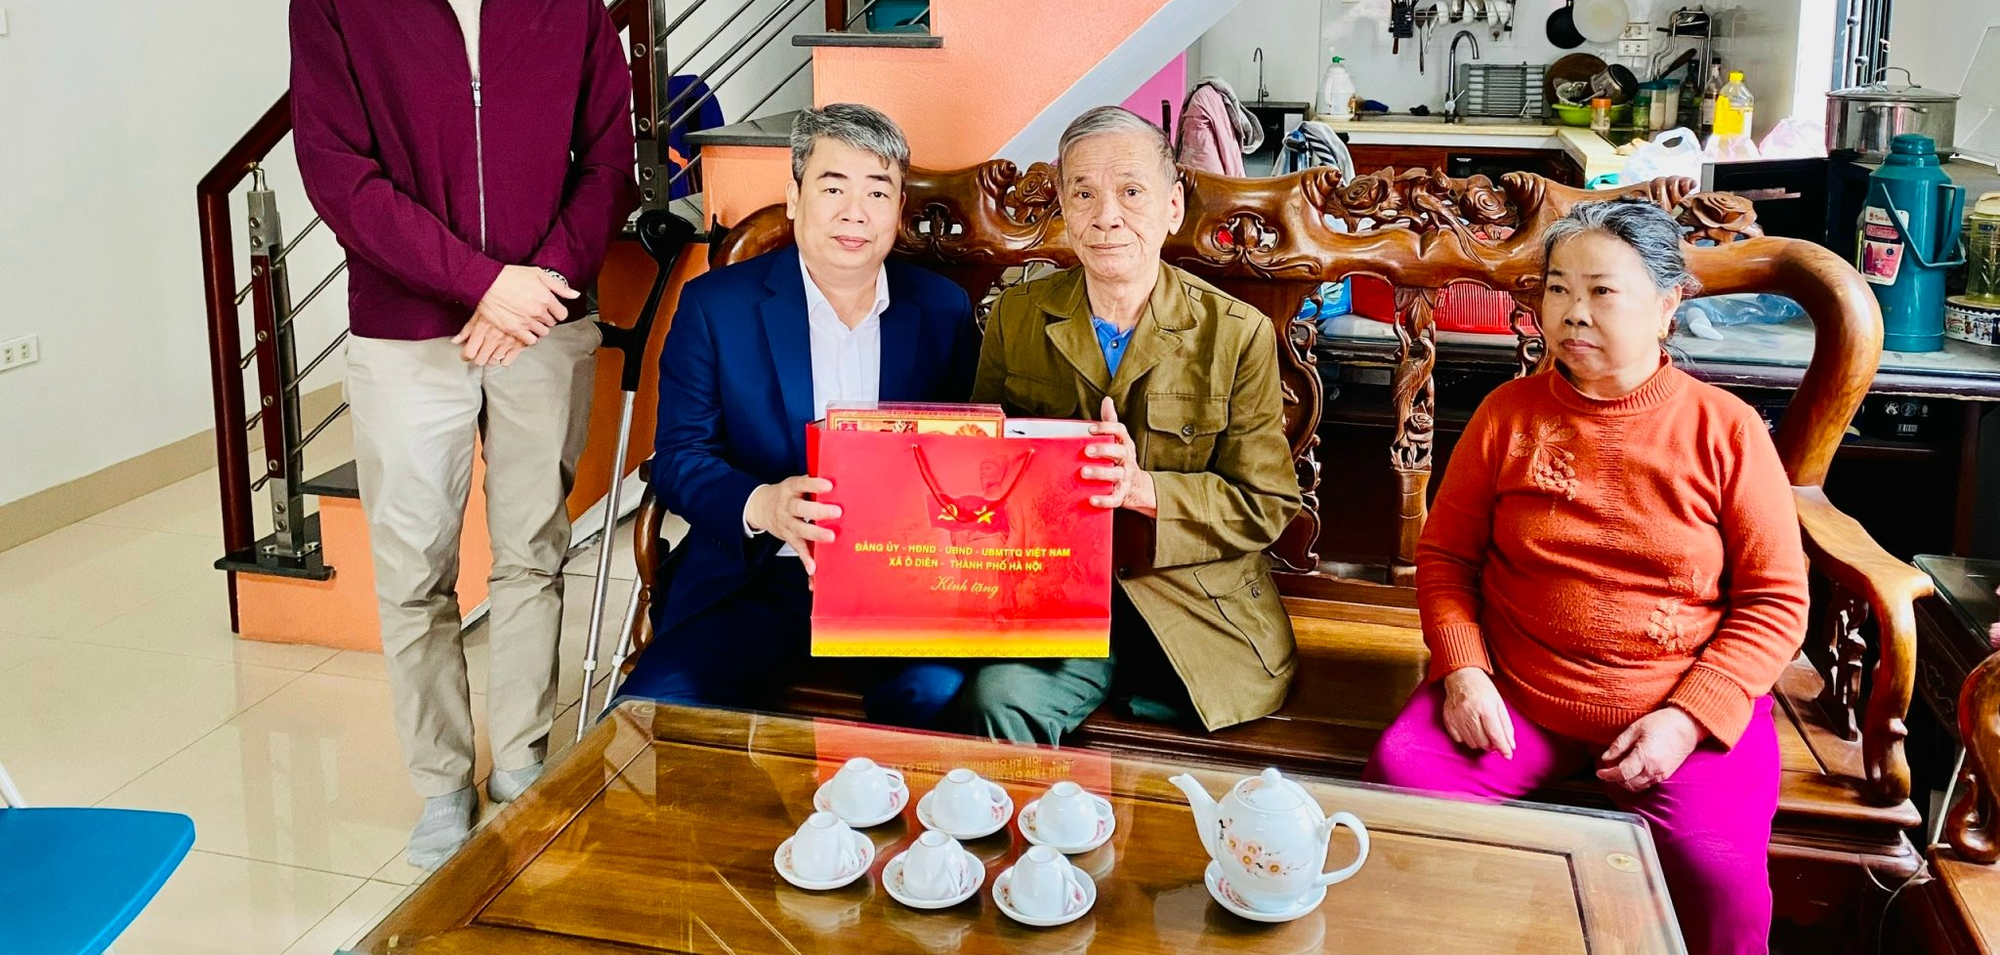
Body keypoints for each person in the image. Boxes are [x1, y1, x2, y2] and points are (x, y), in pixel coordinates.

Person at [291, 0, 636, 868]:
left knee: (533, 551)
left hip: (544, 322)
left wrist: (534, 281)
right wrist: (480, 282)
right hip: (409, 333)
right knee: (414, 569)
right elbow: (338, 170)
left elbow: (609, 164)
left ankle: (524, 759)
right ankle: (443, 786)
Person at [1364, 198, 1808, 955]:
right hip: (1522, 696)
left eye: (1602, 291)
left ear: (1668, 305)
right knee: (1402, 782)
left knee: (1716, 872)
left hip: (1675, 709)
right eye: (1558, 288)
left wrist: (1687, 718)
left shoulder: (1724, 428)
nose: (1572, 312)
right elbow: (1445, 560)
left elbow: (1774, 602)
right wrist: (1465, 673)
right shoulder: (1508, 413)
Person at [949, 105, 1301, 744]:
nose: (1106, 216)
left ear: (1172, 207)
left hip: (1195, 606)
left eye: (1132, 192)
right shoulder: (1017, 315)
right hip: (1054, 594)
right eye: (1083, 193)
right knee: (996, 700)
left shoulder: (1236, 332)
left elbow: (1268, 503)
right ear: (1062, 205)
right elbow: (984, 466)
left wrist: (1145, 492)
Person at [620, 104, 982, 722]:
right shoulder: (716, 307)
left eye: (877, 191)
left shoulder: (941, 310)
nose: (854, 212)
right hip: (756, 578)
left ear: (898, 209)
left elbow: (970, 459)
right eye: (832, 186)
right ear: (793, 197)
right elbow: (679, 459)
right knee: (661, 709)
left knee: (936, 698)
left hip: (897, 586)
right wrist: (764, 505)